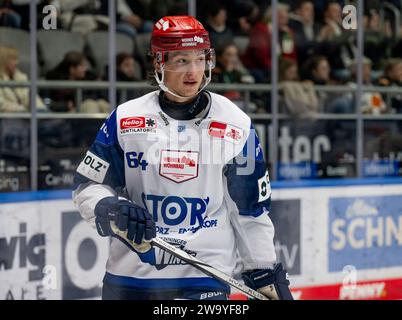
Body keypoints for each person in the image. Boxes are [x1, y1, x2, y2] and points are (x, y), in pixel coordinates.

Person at [72, 15, 293, 300]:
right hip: (130, 276)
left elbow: (249, 210)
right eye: (181, 61)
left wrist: (263, 271)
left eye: (200, 59)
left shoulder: (235, 124)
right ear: (158, 63)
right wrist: (110, 207)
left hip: (204, 277)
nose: (194, 71)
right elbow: (86, 187)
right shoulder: (126, 119)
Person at [0, 46, 47, 112]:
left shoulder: (20, 77)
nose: (17, 63)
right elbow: (2, 104)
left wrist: (41, 109)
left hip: (25, 116)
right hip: (8, 117)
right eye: (13, 59)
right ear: (4, 60)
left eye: (17, 59)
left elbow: (31, 97)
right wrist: (21, 110)